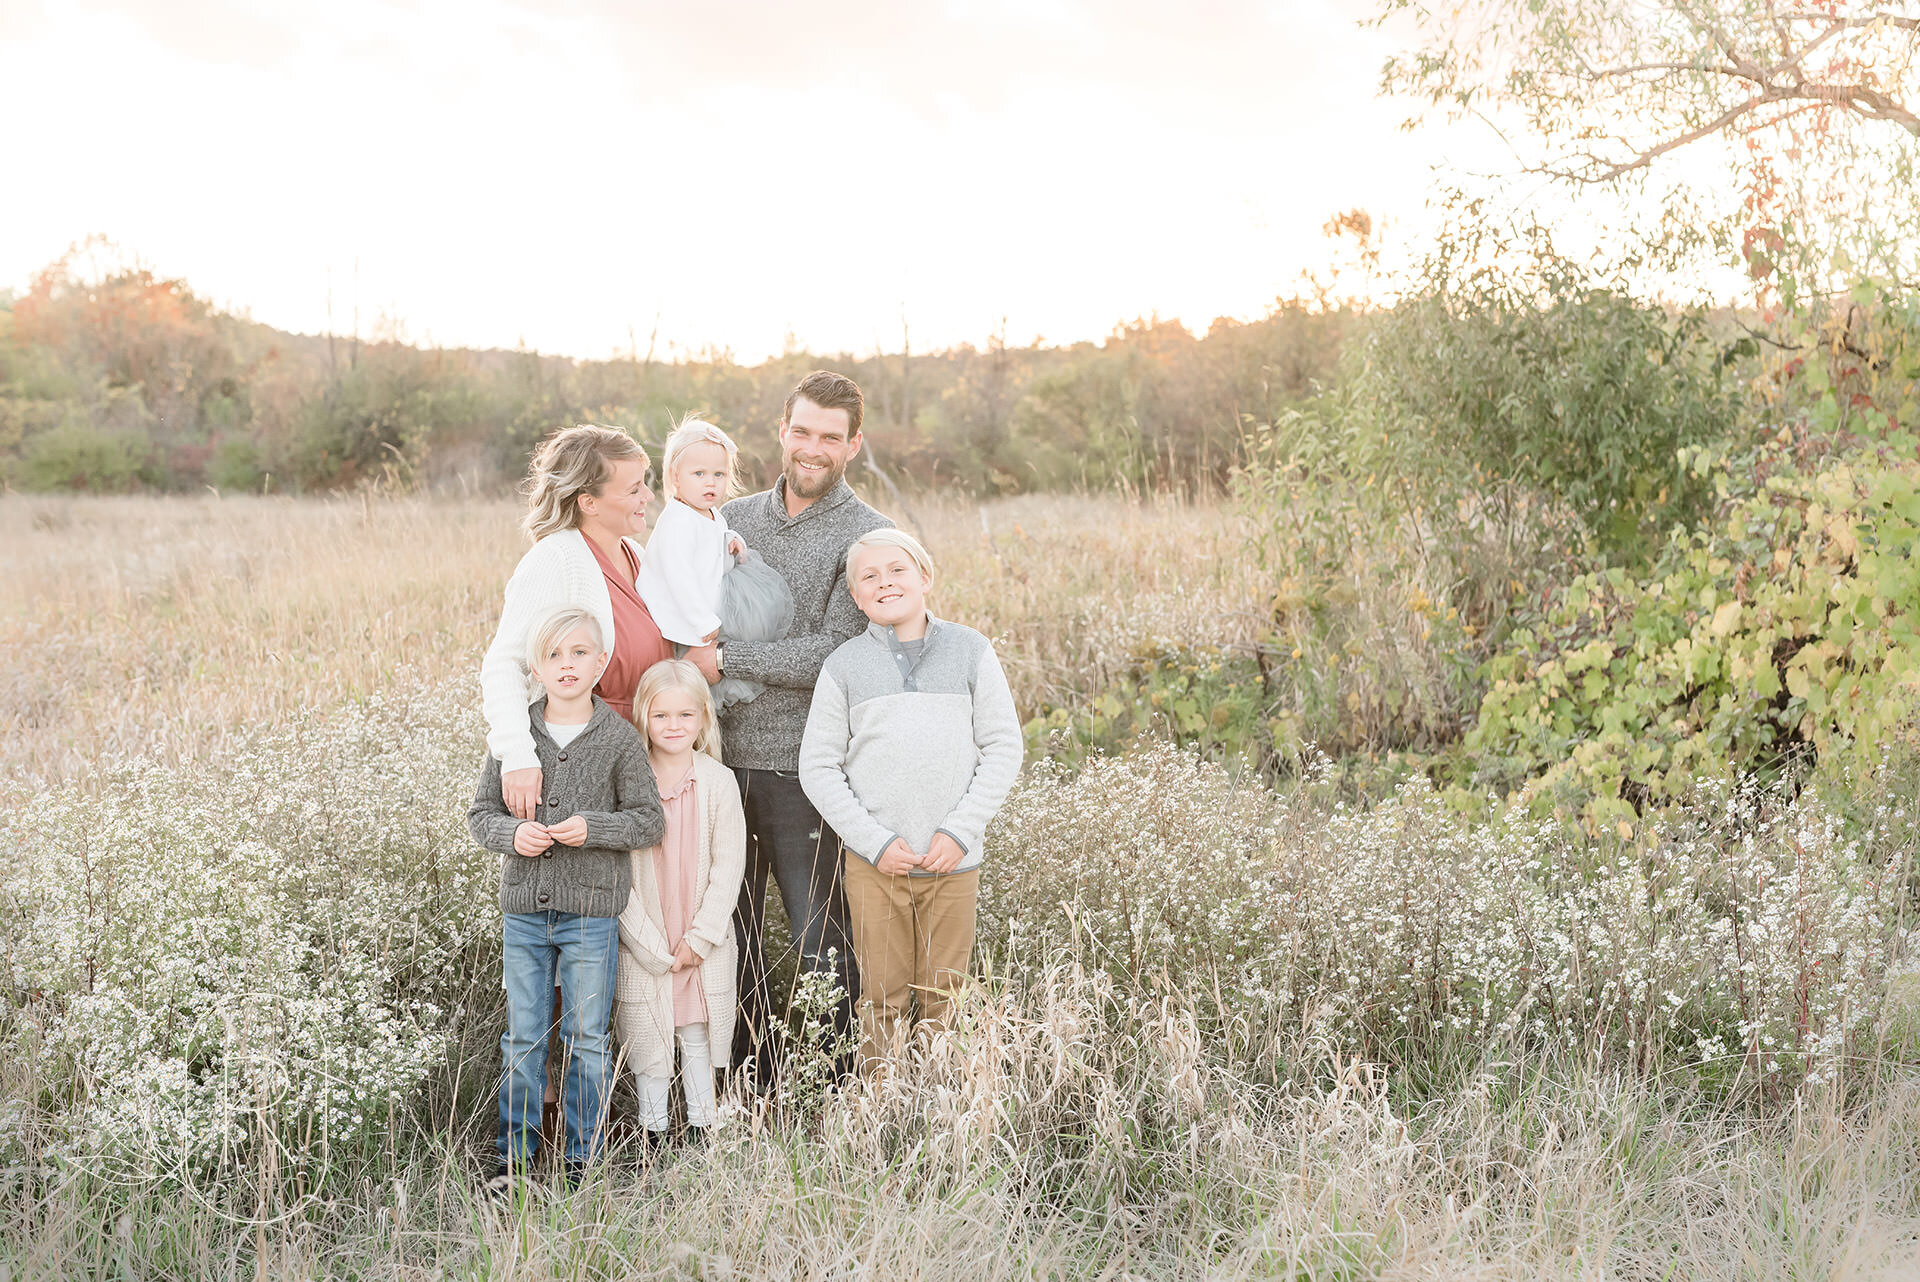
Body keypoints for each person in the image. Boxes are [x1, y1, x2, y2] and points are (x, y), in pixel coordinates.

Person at [478, 422, 676, 1129]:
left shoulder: (635, 553)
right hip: (573, 759)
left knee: (632, 936)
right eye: (635, 486)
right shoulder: (556, 560)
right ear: (589, 497)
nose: (647, 495)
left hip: (635, 758)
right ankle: (545, 1125)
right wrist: (518, 753)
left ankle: (645, 1105)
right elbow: (505, 660)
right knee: (563, 947)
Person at [708, 370, 892, 1084]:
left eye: (830, 437)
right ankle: (747, 1082)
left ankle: (828, 1087)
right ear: (782, 431)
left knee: (820, 937)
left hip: (803, 771)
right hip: (715, 762)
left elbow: (838, 651)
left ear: (852, 445)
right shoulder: (725, 520)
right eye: (803, 431)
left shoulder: (868, 535)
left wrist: (726, 658)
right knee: (730, 933)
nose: (813, 448)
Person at [798, 528, 1023, 1069]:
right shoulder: (845, 666)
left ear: (925, 577)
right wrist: (873, 842)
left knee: (945, 998)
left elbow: (1003, 747)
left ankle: (944, 1112)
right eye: (868, 577)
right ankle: (885, 1113)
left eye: (896, 570)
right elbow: (818, 765)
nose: (884, 583)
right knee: (883, 998)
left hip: (954, 860)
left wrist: (960, 831)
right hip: (878, 866)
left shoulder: (971, 650)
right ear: (855, 598)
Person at [467, 608, 665, 1190]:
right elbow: (481, 816)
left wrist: (593, 828)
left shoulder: (619, 740)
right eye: (554, 655)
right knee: (524, 1035)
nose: (567, 665)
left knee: (587, 1039)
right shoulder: (515, 736)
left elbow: (648, 821)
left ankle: (582, 1158)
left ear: (601, 662)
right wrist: (512, 834)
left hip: (589, 916)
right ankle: (515, 1160)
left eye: (579, 653)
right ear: (536, 668)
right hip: (525, 912)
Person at [613, 659, 746, 1150]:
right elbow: (616, 876)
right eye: (662, 715)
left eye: (685, 716)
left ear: (704, 719)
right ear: (643, 717)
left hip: (696, 936)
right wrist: (647, 943)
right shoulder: (626, 783)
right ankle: (653, 1132)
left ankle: (703, 1128)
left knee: (697, 1029)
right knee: (649, 1037)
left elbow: (729, 866)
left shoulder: (718, 782)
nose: (674, 726)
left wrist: (701, 936)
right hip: (648, 935)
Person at [635, 416, 794, 710]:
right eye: (699, 473)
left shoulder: (708, 512)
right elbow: (678, 575)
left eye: (719, 474)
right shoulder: (677, 520)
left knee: (702, 687)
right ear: (675, 476)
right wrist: (701, 620)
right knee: (685, 683)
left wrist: (732, 539)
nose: (711, 482)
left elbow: (715, 535)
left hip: (705, 610)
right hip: (682, 618)